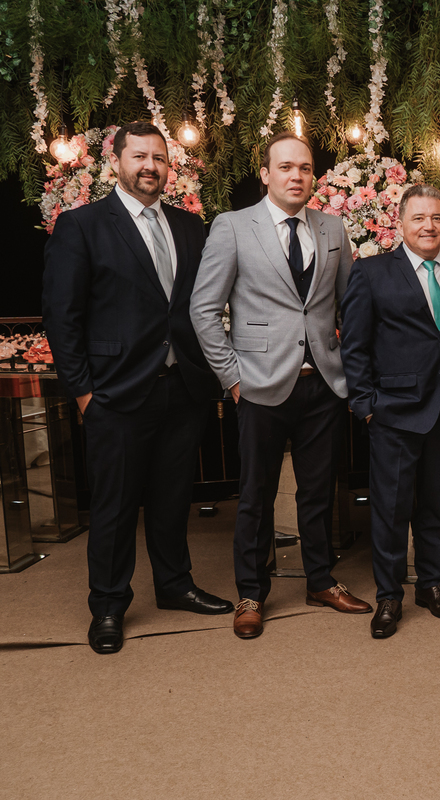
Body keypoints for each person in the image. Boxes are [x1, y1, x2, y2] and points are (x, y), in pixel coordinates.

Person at [42, 120, 232, 655]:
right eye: (139, 156)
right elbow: (62, 316)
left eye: (159, 158)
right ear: (117, 163)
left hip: (182, 388)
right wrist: (84, 394)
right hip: (114, 393)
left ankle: (174, 585)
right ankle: (107, 605)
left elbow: (198, 307)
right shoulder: (81, 226)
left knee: (173, 498)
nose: (150, 166)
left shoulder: (190, 226)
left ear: (170, 167)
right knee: (116, 506)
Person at [191, 132, 370, 639]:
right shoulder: (232, 227)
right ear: (266, 174)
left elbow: (348, 307)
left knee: (317, 493)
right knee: (256, 495)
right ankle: (251, 592)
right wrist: (232, 377)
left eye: (305, 168)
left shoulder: (332, 228)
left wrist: (348, 371)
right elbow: (203, 310)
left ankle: (321, 581)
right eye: (286, 167)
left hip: (323, 385)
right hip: (259, 385)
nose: (297, 176)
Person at [339, 185, 440, 639]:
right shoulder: (372, 272)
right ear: (400, 224)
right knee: (391, 508)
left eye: (436, 218)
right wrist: (366, 406)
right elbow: (354, 345)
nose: (428, 226)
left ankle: (431, 585)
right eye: (418, 218)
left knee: (437, 504)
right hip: (393, 412)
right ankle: (389, 596)